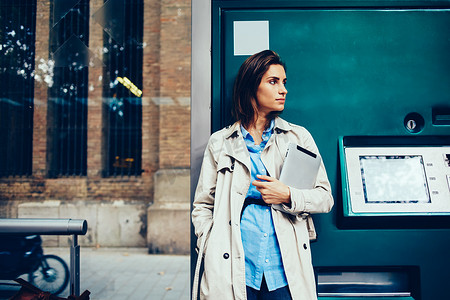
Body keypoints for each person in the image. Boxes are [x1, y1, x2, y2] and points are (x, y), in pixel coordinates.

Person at [192, 50, 334, 300]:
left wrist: (288, 194)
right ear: (251, 87)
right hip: (235, 268)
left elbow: (325, 198)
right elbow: (203, 205)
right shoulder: (220, 142)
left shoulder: (299, 138)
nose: (283, 90)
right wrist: (211, 241)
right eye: (273, 81)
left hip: (284, 270)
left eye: (284, 82)